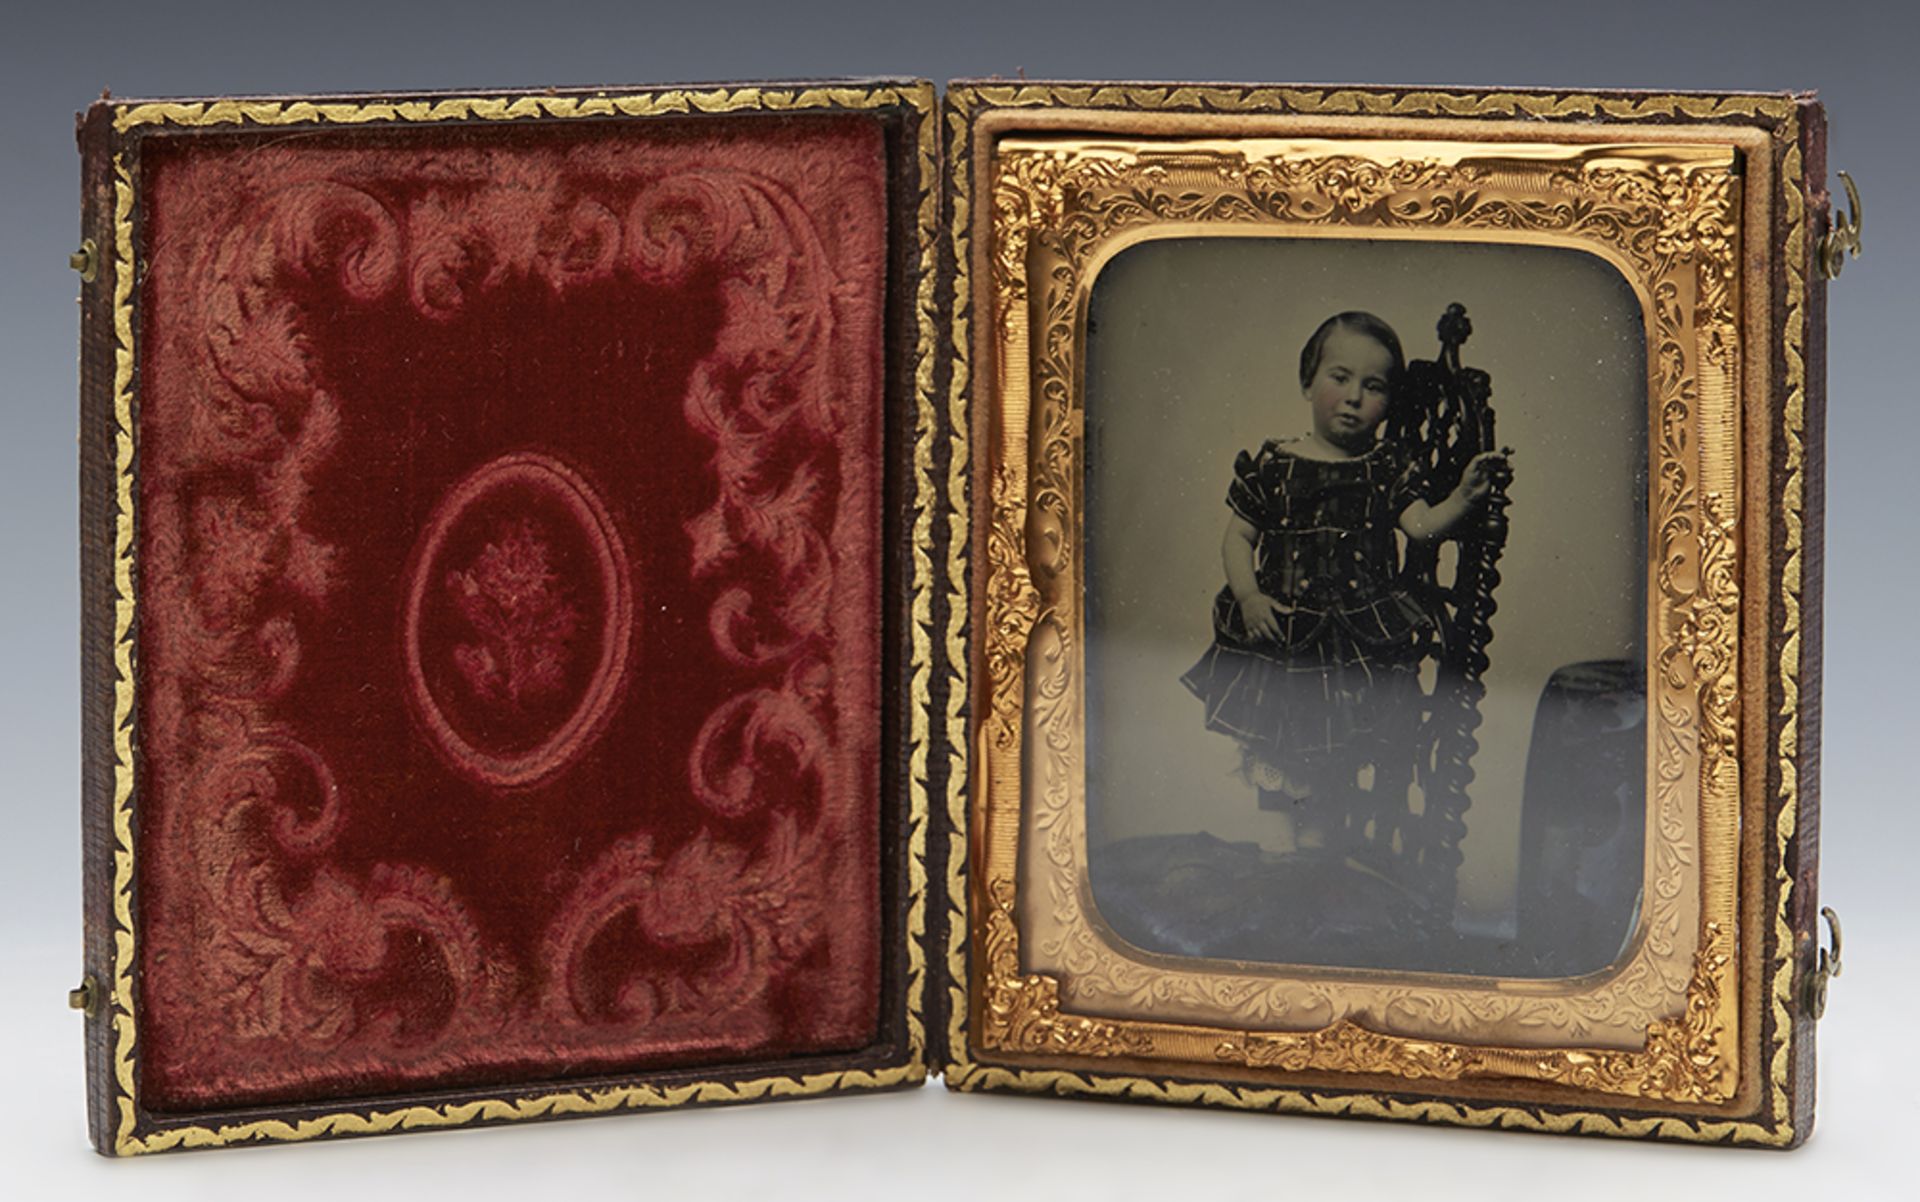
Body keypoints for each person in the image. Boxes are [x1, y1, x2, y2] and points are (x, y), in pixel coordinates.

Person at [1180, 311, 1509, 854]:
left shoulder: (1385, 466)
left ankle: (1315, 855)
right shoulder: (1274, 464)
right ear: (1309, 381)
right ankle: (1294, 850)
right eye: (1340, 377)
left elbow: (1421, 525)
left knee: (1332, 758)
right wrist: (1249, 596)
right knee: (1282, 751)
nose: (1354, 397)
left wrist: (1465, 497)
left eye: (1373, 386)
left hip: (1350, 642)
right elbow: (1238, 538)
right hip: (1285, 637)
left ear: (1388, 401)